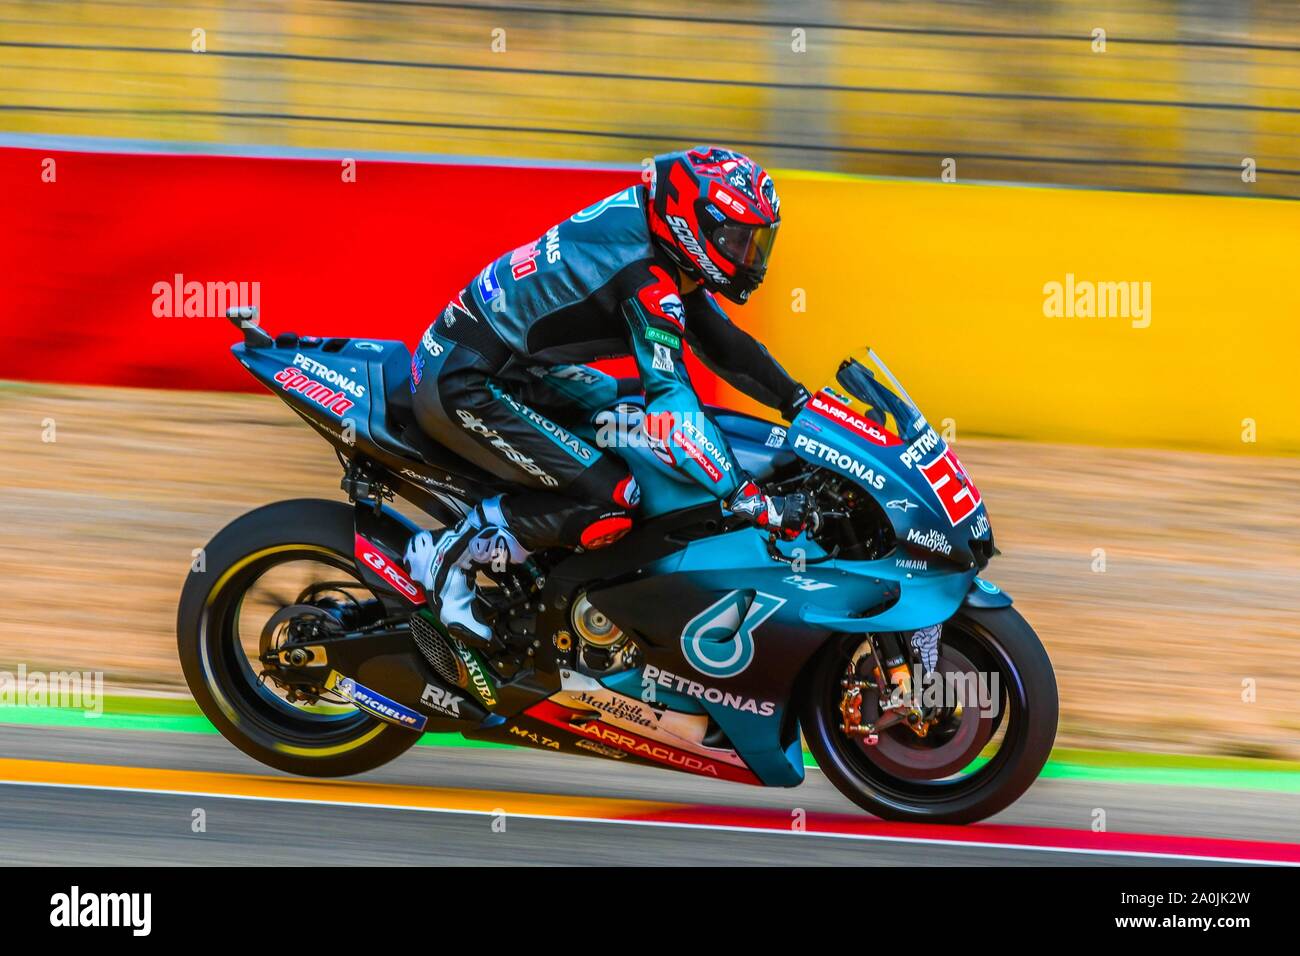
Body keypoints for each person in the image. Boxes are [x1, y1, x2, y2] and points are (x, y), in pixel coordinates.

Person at [404, 146, 815, 643]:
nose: (751, 259)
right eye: (739, 240)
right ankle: (449, 556)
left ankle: (546, 564)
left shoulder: (654, 234)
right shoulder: (646, 280)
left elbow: (723, 343)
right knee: (615, 499)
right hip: (466, 383)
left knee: (627, 424)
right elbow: (673, 409)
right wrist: (750, 499)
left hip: (514, 366)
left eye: (758, 243)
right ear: (693, 226)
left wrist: (801, 405)